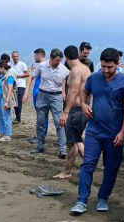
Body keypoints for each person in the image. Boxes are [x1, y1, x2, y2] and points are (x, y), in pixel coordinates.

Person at [70, 48, 124, 214]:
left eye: (110, 67)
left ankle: (103, 198)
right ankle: (81, 200)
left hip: (115, 133)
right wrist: (84, 105)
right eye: (104, 66)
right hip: (94, 130)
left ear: (118, 64)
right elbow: (84, 92)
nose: (106, 70)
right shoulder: (95, 78)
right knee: (88, 164)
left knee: (111, 167)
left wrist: (123, 132)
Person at [53, 45, 90, 179]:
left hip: (76, 110)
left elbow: (74, 91)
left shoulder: (75, 71)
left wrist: (66, 112)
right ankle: (89, 164)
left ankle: (67, 171)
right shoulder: (85, 69)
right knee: (77, 140)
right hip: (82, 108)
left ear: (66, 58)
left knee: (71, 143)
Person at [26, 49, 69, 158]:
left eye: (59, 60)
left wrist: (64, 92)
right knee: (40, 122)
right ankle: (40, 146)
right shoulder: (42, 66)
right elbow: (32, 76)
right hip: (43, 95)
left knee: (59, 122)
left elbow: (66, 81)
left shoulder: (64, 69)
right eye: (56, 60)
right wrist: (26, 91)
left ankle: (63, 149)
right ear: (51, 58)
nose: (58, 62)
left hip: (56, 96)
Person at [23, 48, 49, 144]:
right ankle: (39, 135)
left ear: (39, 55)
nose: (34, 58)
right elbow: (31, 77)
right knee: (39, 115)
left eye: (35, 56)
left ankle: (41, 136)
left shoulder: (45, 66)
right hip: (36, 93)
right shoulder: (40, 66)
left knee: (42, 115)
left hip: (41, 94)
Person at [12, 51, 30, 124]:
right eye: (14, 56)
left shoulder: (22, 64)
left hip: (21, 86)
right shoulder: (12, 65)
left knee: (19, 103)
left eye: (17, 56)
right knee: (15, 102)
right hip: (14, 86)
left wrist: (17, 76)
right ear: (12, 57)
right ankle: (17, 117)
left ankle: (18, 118)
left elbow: (27, 74)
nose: (16, 58)